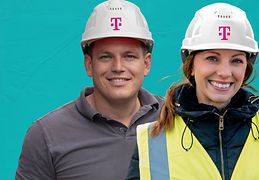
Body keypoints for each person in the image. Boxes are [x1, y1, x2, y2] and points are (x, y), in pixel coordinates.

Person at [126, 3, 259, 180]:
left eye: (236, 61)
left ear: (246, 68)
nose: (225, 73)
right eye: (212, 58)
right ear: (191, 65)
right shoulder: (152, 141)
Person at [15, 0, 164, 179]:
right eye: (105, 57)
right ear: (89, 65)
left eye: (129, 56)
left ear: (146, 64)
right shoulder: (46, 134)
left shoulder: (175, 119)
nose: (118, 67)